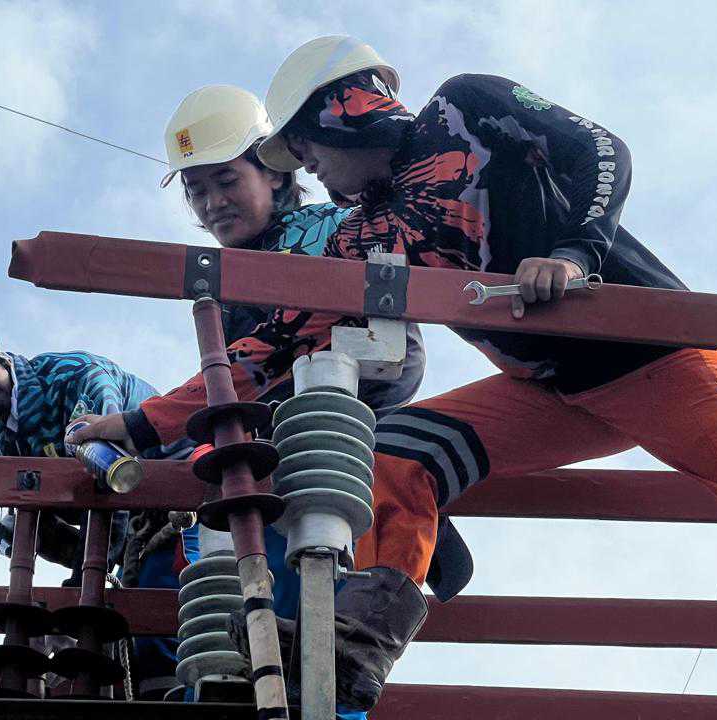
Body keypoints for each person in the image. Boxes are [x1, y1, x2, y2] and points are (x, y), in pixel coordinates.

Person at [69, 36, 717, 711]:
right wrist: (138, 424)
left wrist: (576, 253)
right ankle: (352, 654)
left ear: (341, 113)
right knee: (393, 457)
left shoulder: (465, 109)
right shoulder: (365, 234)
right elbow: (274, 345)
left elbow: (599, 150)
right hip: (549, 389)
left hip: (651, 359)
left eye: (308, 149)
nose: (310, 169)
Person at [159, 86, 424, 717]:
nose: (213, 203)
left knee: (323, 633)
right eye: (197, 191)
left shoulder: (336, 230)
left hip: (333, 457)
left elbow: (399, 354)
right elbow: (236, 381)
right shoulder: (226, 280)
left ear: (276, 174)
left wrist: (316, 400)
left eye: (227, 180)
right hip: (268, 468)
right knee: (231, 603)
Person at [0, 306, 197, 699]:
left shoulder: (76, 376)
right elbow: (56, 521)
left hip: (183, 512)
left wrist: (80, 593)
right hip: (131, 542)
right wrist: (20, 536)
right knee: (131, 630)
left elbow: (111, 490)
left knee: (158, 628)